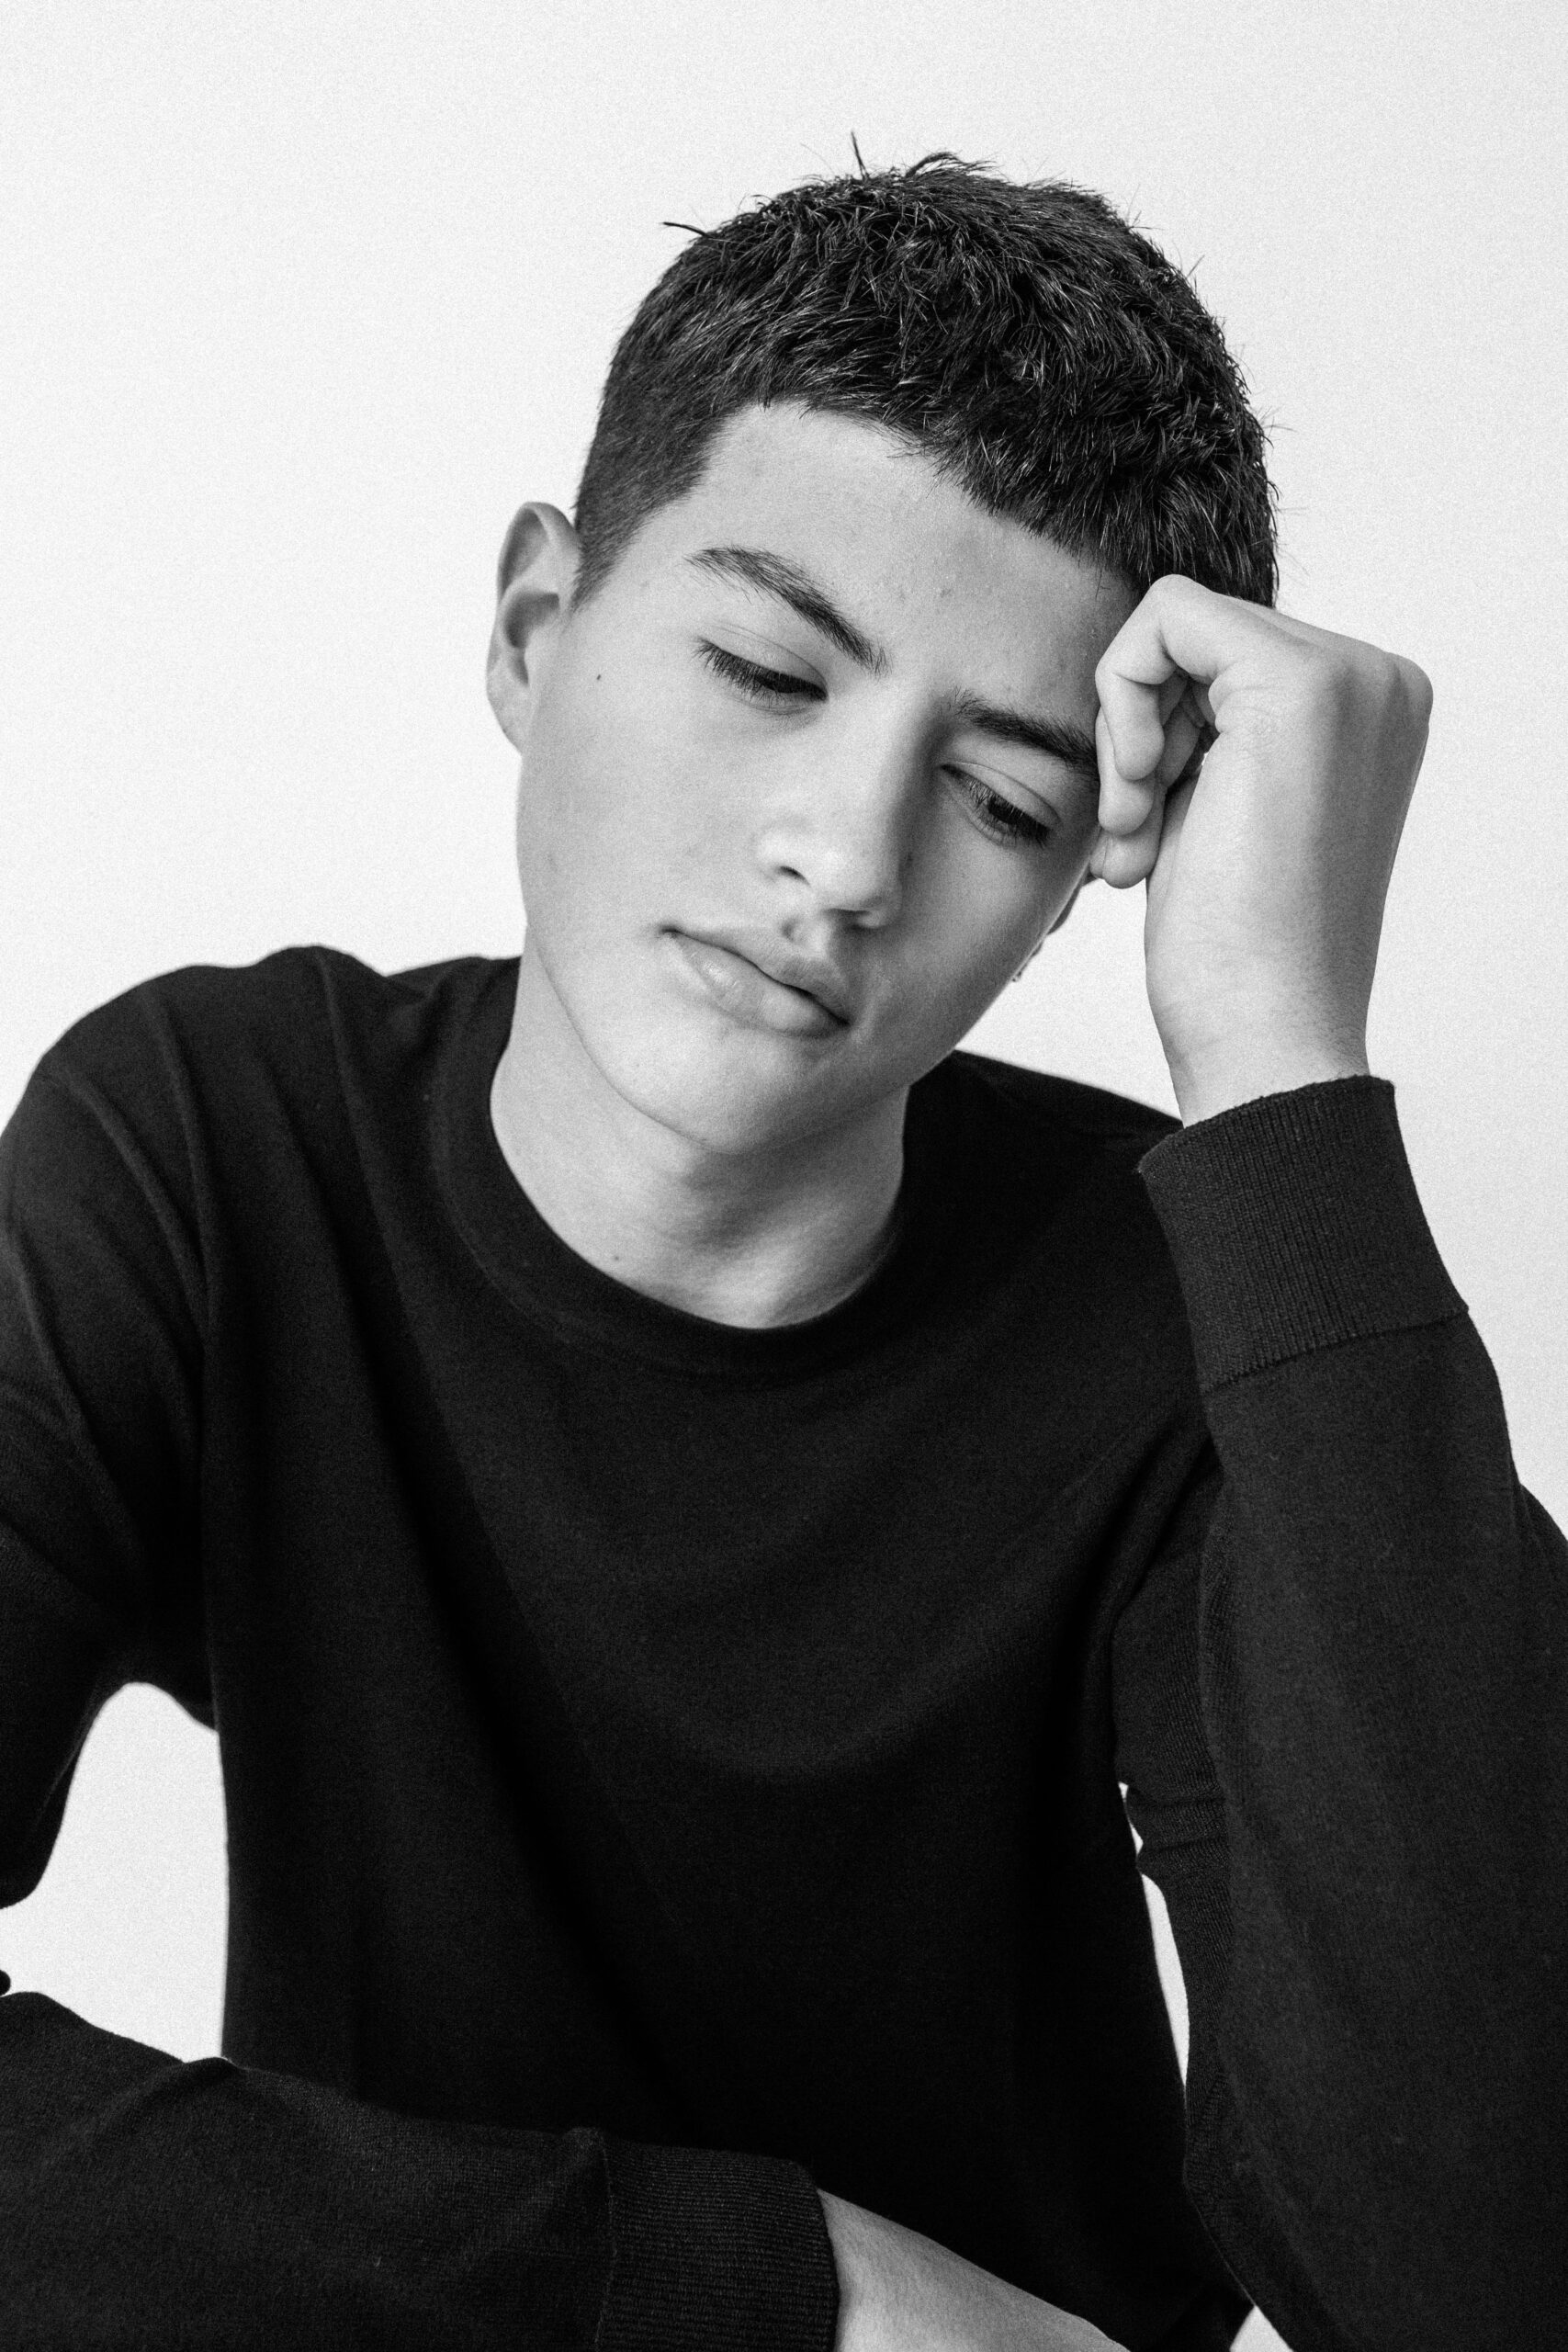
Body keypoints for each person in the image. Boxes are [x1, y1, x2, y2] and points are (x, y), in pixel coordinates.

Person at [0, 153, 1562, 2352]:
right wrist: (786, 2289)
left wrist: (1282, 1067)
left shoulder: (1167, 1312)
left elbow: (1480, 2279)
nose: (840, 855)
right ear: (532, 628)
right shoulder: (208, 1148)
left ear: (1083, 877)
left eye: (1002, 799)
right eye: (761, 668)